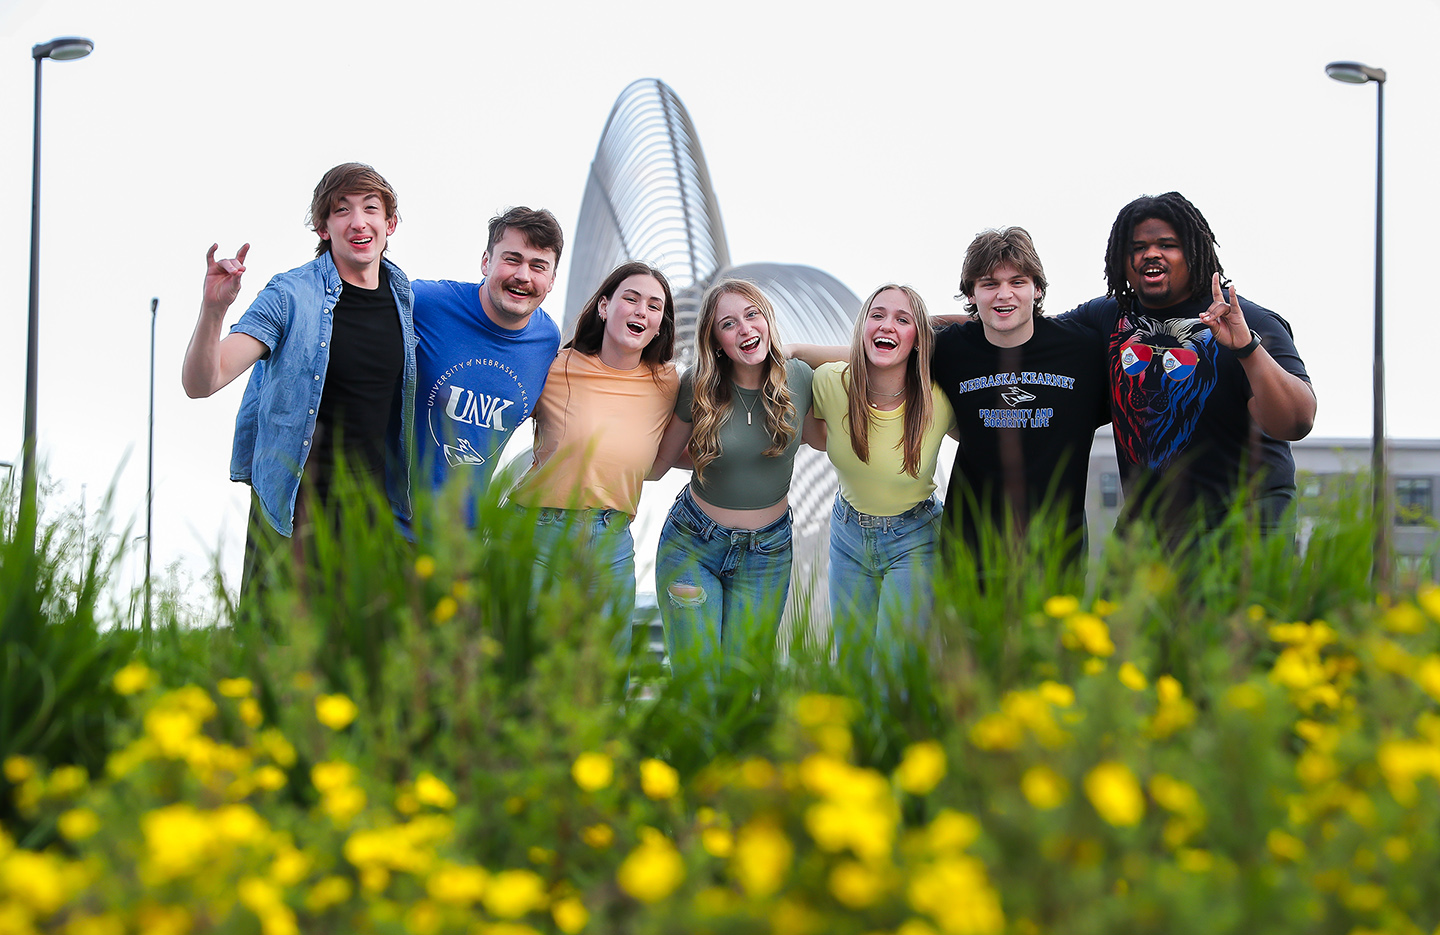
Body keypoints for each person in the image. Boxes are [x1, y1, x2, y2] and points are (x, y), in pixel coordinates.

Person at [181, 163, 414, 596]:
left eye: (370, 208)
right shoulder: (289, 296)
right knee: (274, 658)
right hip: (293, 515)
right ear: (324, 228)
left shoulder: (406, 298)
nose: (358, 222)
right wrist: (213, 310)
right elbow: (203, 381)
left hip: (371, 518)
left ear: (390, 224)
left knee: (360, 661)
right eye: (342, 210)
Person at [1063, 192, 1316, 530]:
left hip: (1244, 523)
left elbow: (1296, 422)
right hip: (1149, 527)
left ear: (1194, 253)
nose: (1150, 253)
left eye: (1167, 244)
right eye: (1137, 247)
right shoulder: (1107, 316)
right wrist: (977, 315)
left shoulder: (1249, 321)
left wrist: (1246, 348)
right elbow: (1028, 331)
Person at [506, 262, 680, 630]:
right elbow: (499, 411)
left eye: (653, 306)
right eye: (630, 299)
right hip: (539, 532)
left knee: (605, 673)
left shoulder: (667, 382)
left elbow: (666, 456)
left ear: (661, 324)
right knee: (523, 667)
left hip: (611, 542)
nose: (641, 311)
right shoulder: (555, 366)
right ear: (604, 307)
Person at [651, 280, 816, 661]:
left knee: (741, 689)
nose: (744, 329)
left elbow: (864, 357)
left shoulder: (801, 378)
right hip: (692, 543)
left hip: (768, 552)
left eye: (752, 314)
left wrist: (797, 349)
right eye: (728, 324)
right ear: (716, 340)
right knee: (697, 686)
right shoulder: (698, 384)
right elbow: (661, 461)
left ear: (768, 320)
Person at [934, 227, 1110, 561]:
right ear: (971, 294)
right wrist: (800, 351)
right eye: (989, 284)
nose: (1004, 294)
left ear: (1037, 290)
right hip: (970, 550)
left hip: (1058, 551)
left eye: (1017, 282)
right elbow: (880, 353)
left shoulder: (1083, 350)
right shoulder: (949, 349)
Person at [807, 284, 954, 649]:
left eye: (903, 320)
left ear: (919, 338)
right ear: (862, 329)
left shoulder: (940, 397)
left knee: (894, 672)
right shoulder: (830, 382)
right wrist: (792, 350)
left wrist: (927, 322)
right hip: (848, 535)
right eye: (877, 315)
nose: (887, 325)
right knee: (852, 667)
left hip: (915, 538)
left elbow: (986, 326)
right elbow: (813, 436)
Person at [411, 208, 564, 526]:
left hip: (460, 538)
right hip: (386, 521)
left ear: (551, 281)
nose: (523, 275)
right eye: (512, 259)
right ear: (486, 262)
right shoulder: (425, 302)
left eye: (538, 266)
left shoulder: (547, 341)